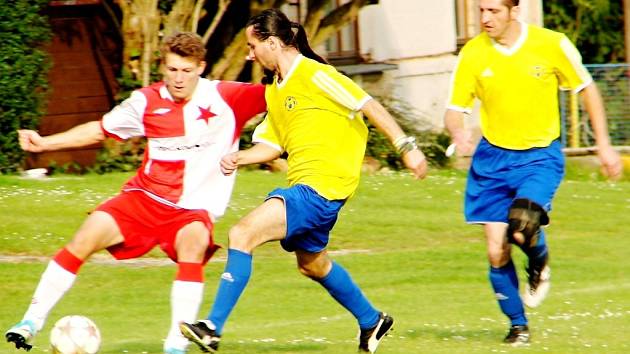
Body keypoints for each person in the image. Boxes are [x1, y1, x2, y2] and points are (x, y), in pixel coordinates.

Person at [179, 8, 428, 354]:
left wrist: (407, 147)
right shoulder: (276, 89)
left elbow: (368, 105)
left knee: (241, 234)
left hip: (320, 187)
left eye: (253, 46)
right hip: (312, 188)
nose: (249, 54)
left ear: (274, 42)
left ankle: (211, 329)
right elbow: (272, 145)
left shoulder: (314, 74)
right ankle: (372, 320)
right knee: (312, 265)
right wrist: (241, 156)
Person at [5, 32, 267, 354]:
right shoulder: (145, 101)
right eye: (172, 70)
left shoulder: (228, 97)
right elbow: (101, 130)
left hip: (192, 209)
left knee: (194, 245)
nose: (179, 79)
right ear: (162, 68)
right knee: (85, 237)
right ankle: (30, 322)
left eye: (186, 71)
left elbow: (286, 92)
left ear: (201, 67)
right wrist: (46, 143)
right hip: (143, 198)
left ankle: (175, 346)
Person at [443, 0, 622, 346]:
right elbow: (454, 108)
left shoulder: (552, 43)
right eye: (480, 10)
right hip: (491, 161)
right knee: (497, 250)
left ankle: (539, 263)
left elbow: (587, 88)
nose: (484, 18)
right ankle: (518, 326)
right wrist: (458, 131)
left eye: (493, 11)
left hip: (539, 156)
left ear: (514, 11)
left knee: (523, 224)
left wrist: (603, 144)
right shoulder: (473, 54)